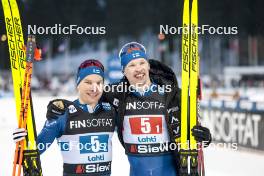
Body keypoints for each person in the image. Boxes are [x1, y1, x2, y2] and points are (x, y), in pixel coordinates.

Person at [46, 42, 211, 176]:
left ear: (148, 66)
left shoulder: (172, 94)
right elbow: (88, 99)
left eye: (141, 62)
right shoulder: (116, 95)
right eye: (131, 65)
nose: (138, 68)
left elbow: (193, 130)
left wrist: (204, 136)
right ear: (124, 71)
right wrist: (61, 106)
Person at [13, 59, 116, 176]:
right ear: (78, 84)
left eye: (99, 83)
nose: (94, 88)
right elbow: (29, 155)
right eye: (88, 82)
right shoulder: (62, 113)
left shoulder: (110, 111)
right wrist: (24, 142)